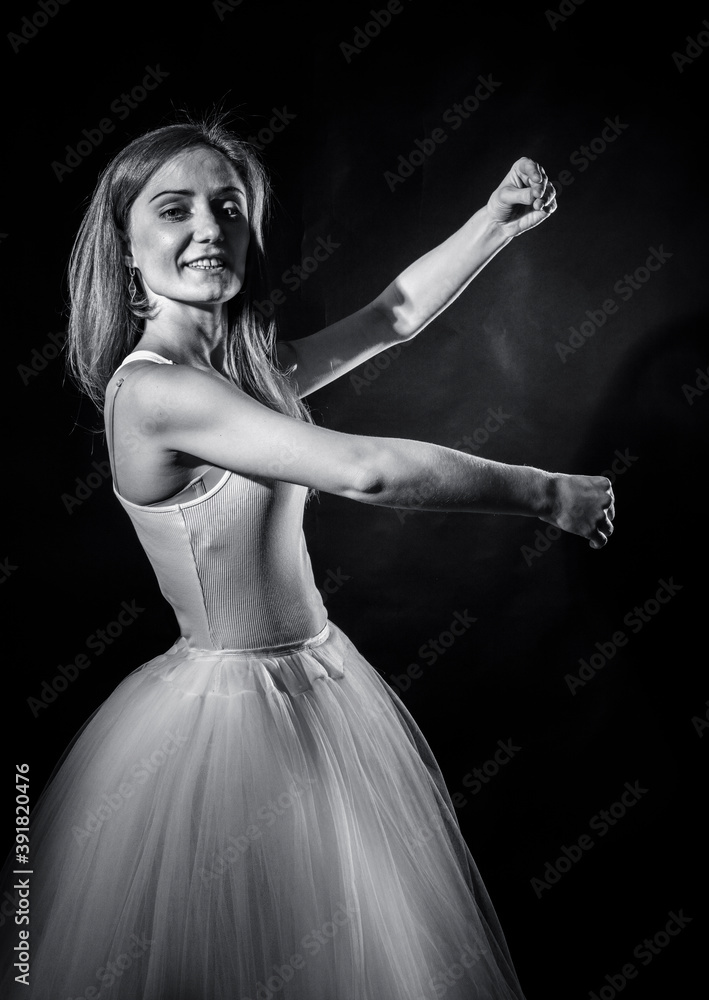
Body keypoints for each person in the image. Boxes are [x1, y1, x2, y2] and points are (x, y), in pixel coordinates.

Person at [0, 114, 613, 1000]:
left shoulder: (243, 375)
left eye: (229, 207)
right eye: (174, 211)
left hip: (313, 681)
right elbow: (363, 472)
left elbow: (390, 317)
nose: (209, 229)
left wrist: (494, 220)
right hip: (233, 719)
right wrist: (547, 492)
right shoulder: (156, 392)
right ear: (126, 250)